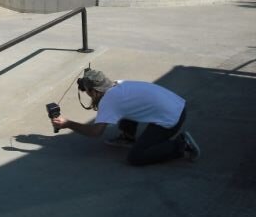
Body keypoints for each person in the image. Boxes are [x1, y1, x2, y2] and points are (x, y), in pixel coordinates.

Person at [51, 68, 200, 166]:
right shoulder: (117, 84)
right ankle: (127, 137)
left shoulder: (109, 101)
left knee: (136, 157)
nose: (88, 94)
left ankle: (181, 145)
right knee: (128, 107)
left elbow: (95, 132)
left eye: (88, 91)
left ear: (95, 91)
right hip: (177, 106)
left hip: (171, 119)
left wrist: (68, 123)